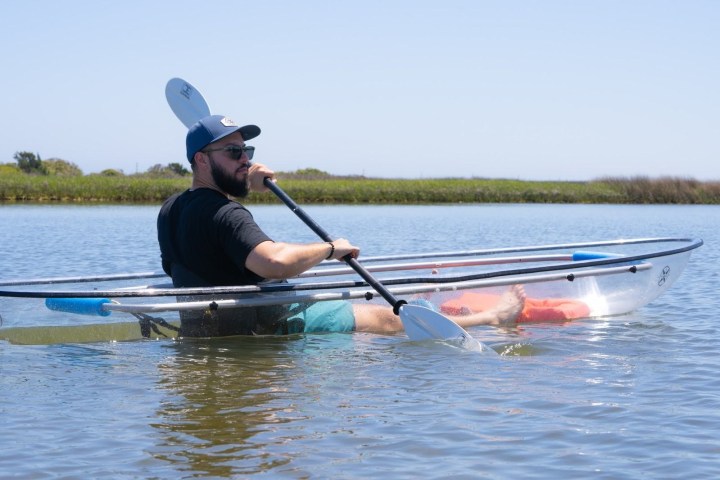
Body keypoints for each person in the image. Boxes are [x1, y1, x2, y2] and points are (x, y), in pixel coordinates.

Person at [157, 114, 525, 337]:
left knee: (362, 334)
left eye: (247, 152)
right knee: (385, 318)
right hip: (266, 324)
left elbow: (216, 247)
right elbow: (274, 262)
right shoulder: (227, 213)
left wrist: (244, 186)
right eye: (234, 153)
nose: (246, 160)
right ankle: (493, 316)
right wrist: (330, 249)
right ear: (201, 160)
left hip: (206, 330)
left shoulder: (172, 209)